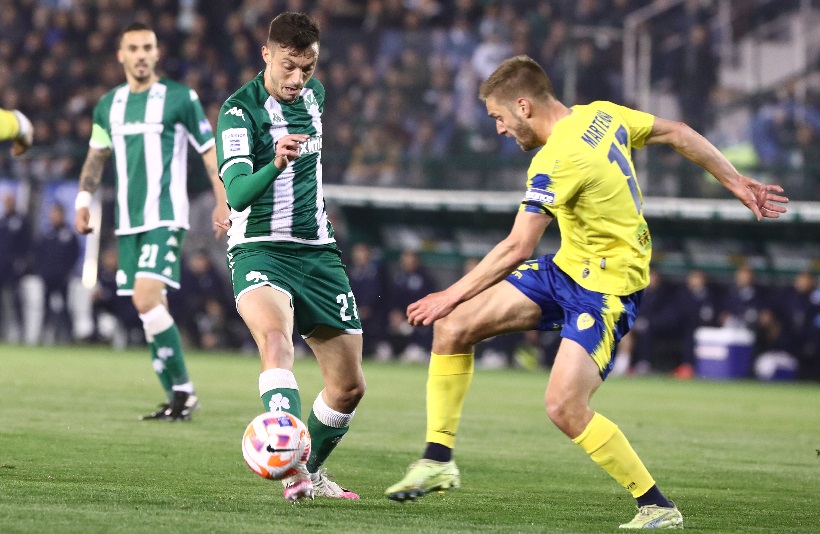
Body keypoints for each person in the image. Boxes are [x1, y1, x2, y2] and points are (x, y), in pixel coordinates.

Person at [384, 55, 788, 529]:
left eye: (498, 117)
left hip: (607, 290)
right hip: (567, 268)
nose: (499, 129)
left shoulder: (557, 158)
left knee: (563, 406)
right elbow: (677, 131)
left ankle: (657, 506)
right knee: (453, 329)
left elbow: (517, 246)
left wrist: (448, 294)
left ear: (523, 106)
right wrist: (734, 181)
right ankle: (437, 460)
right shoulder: (602, 114)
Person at [215, 12, 365, 502]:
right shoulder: (239, 112)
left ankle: (309, 470)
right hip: (260, 248)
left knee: (348, 387)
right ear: (266, 54)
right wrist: (275, 162)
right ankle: (292, 470)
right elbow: (237, 194)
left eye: (308, 67)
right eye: (288, 66)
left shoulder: (315, 96)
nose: (298, 79)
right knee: (277, 341)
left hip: (318, 252)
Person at [73, 22, 231, 422]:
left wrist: (222, 200)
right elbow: (96, 157)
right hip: (129, 223)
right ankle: (178, 396)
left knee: (145, 298)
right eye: (134, 48)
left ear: (157, 53)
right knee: (149, 308)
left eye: (148, 47)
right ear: (121, 55)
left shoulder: (180, 98)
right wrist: (83, 200)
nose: (141, 55)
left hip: (166, 215)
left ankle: (184, 391)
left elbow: (208, 150)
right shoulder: (108, 105)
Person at [36, 203, 80, 344]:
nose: (54, 217)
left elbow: (74, 254)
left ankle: (67, 335)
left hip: (62, 277)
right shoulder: (47, 234)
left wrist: (68, 271)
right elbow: (39, 253)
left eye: (56, 214)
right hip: (48, 276)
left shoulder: (69, 234)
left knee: (64, 306)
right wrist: (42, 271)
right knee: (45, 306)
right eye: (52, 214)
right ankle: (44, 335)